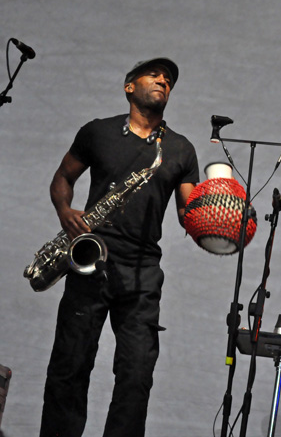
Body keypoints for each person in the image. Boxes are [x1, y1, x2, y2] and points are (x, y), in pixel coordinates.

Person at [40, 58, 200, 437]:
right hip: (90, 262)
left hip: (143, 272)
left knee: (136, 375)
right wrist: (65, 211)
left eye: (169, 80)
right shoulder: (97, 132)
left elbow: (188, 214)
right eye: (154, 74)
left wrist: (223, 212)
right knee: (70, 365)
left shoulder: (180, 149)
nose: (163, 80)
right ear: (129, 87)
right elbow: (63, 177)